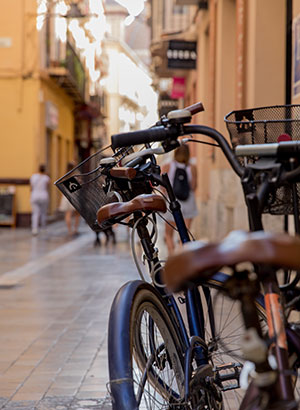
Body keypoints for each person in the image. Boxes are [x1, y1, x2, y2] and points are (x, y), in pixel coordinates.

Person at [162, 144, 198, 254]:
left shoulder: (168, 166)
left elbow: (163, 187)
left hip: (173, 202)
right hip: (188, 202)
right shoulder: (192, 167)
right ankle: (184, 258)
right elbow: (194, 186)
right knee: (185, 234)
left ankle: (172, 256)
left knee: (168, 234)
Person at [59, 162, 80, 238]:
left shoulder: (64, 177)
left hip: (66, 197)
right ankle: (75, 229)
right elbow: (77, 188)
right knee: (77, 214)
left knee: (68, 215)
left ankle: (69, 230)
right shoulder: (75, 176)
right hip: (74, 197)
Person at [30, 164, 51, 236]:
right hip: (43, 195)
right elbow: (48, 187)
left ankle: (34, 229)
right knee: (43, 213)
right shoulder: (46, 178)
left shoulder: (33, 177)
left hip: (34, 195)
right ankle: (43, 227)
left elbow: (31, 187)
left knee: (35, 213)